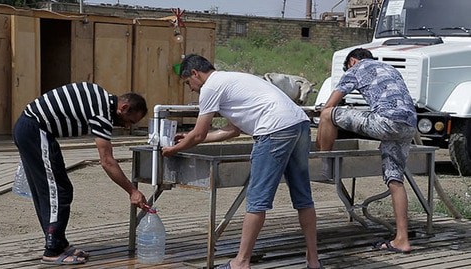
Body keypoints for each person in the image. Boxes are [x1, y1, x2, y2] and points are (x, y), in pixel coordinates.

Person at [162, 54, 321, 269]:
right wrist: (188, 139)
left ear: (195, 74)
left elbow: (199, 134)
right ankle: (313, 262)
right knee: (303, 197)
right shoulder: (231, 79)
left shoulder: (210, 87)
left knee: (257, 200)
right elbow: (232, 130)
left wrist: (174, 148)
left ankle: (241, 262)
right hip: (299, 124)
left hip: (273, 129)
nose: (191, 88)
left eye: (188, 83)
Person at [13, 82, 149, 265]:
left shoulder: (100, 95)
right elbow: (107, 161)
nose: (126, 127)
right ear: (123, 107)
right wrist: (132, 191)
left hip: (34, 129)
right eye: (129, 121)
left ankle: (58, 242)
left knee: (55, 189)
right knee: (57, 192)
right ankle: (52, 250)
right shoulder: (103, 113)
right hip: (35, 130)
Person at [316, 48, 417, 254]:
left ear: (352, 61)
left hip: (386, 121)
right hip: (408, 124)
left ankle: (323, 166)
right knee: (395, 180)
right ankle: (402, 240)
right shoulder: (390, 68)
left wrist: (321, 119)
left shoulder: (356, 68)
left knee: (327, 115)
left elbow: (330, 105)